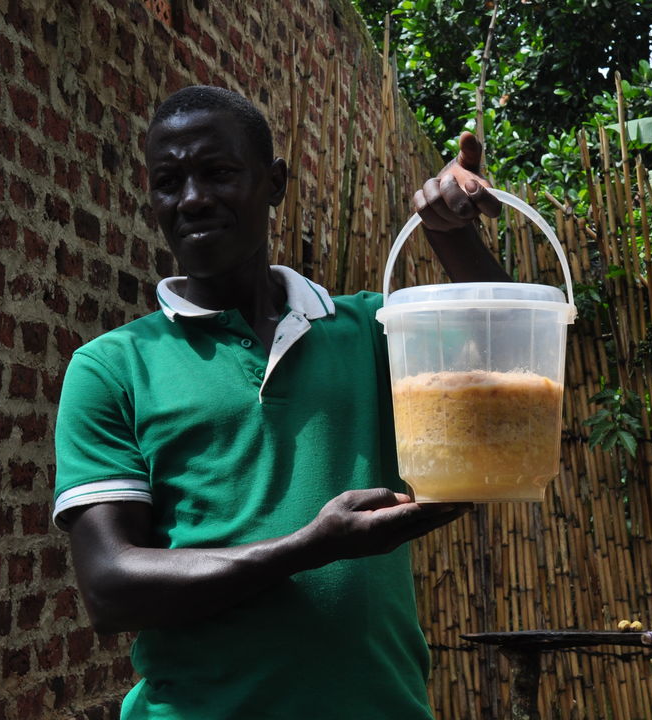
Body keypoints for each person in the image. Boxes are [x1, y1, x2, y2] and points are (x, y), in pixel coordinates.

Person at [52, 85, 510, 719]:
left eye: (217, 173)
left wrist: (450, 234)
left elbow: (511, 360)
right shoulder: (112, 368)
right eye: (168, 181)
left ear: (274, 184)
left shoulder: (371, 332)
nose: (191, 199)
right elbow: (110, 587)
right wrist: (314, 545)